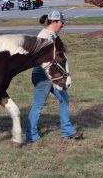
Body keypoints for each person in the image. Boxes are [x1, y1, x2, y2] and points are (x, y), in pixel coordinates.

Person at [26, 10, 83, 142]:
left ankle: (67, 131)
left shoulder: (52, 35)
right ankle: (31, 134)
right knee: (38, 105)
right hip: (43, 75)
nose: (63, 25)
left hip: (53, 75)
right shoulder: (45, 37)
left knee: (64, 99)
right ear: (54, 22)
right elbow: (39, 59)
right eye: (62, 22)